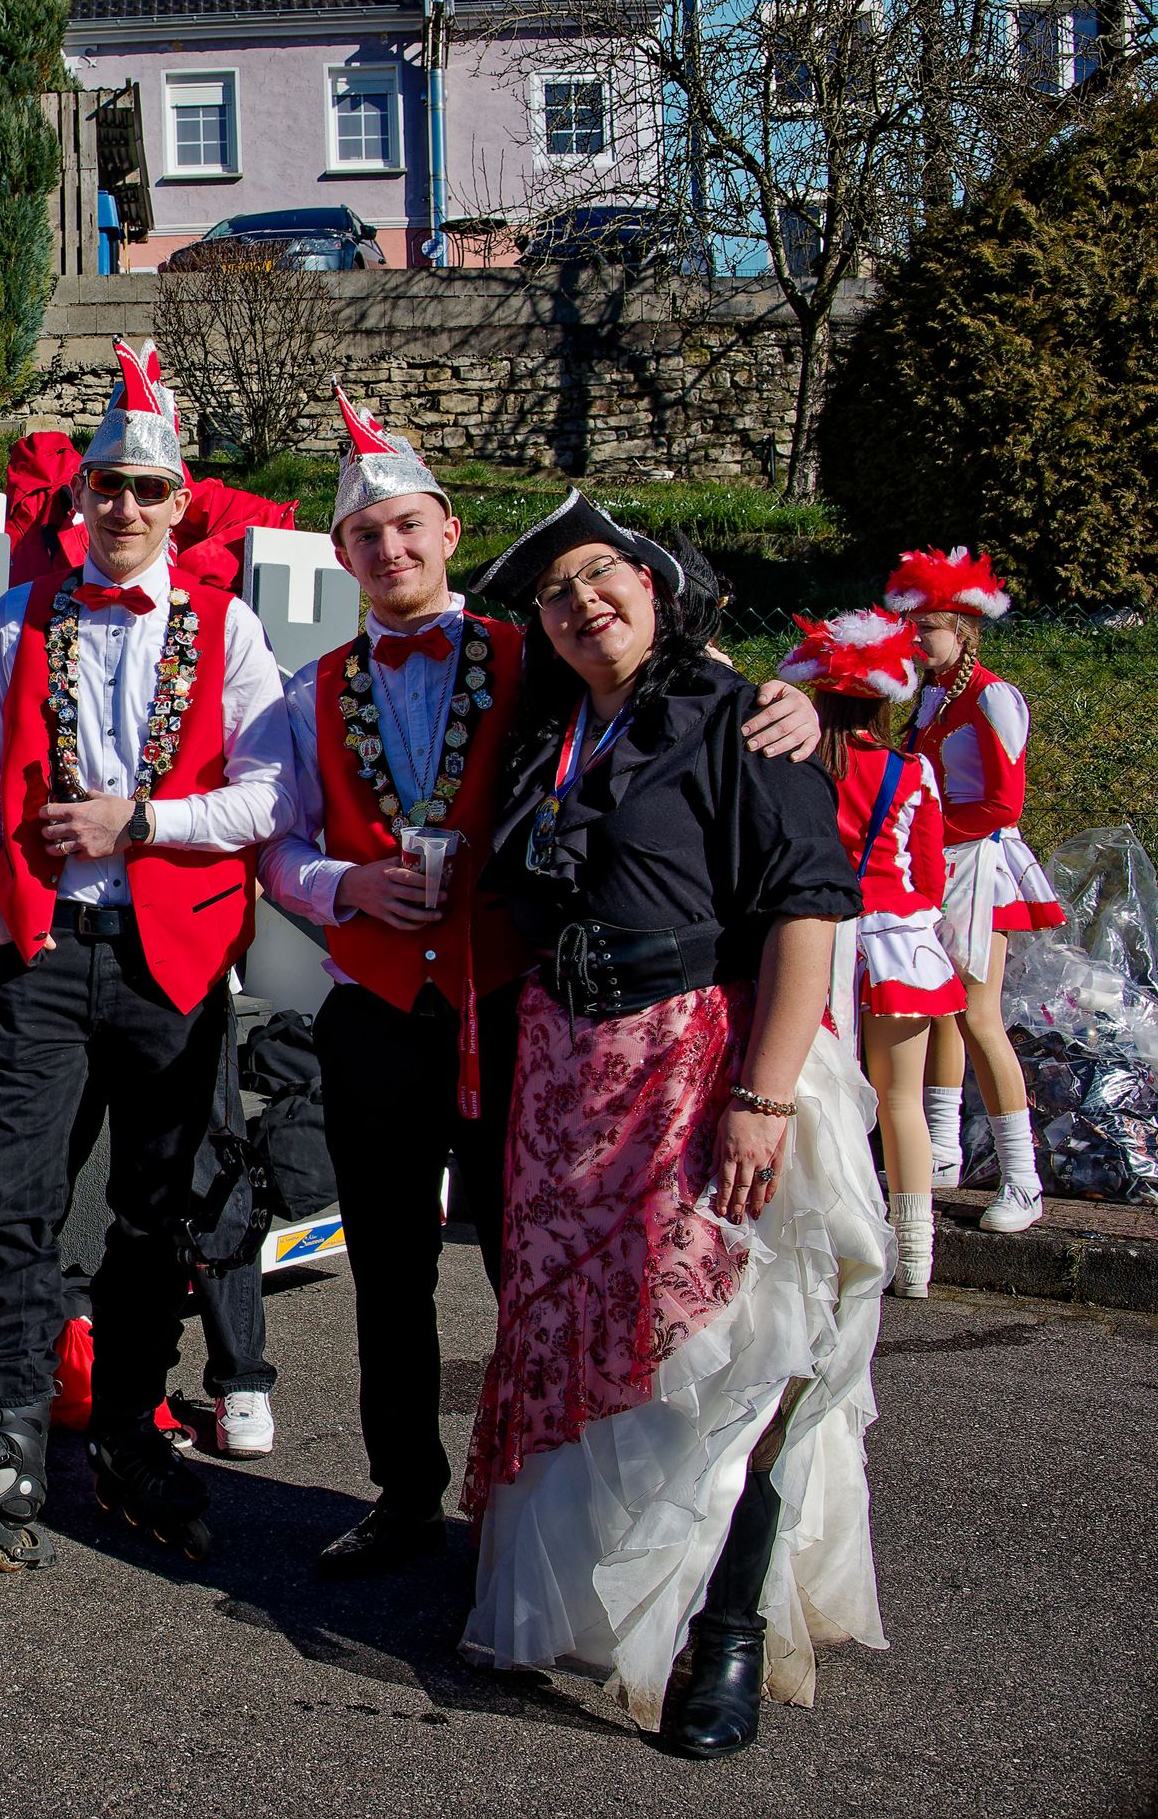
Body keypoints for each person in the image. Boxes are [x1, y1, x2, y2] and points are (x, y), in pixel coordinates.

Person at [261, 397, 824, 1582]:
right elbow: (274, 843)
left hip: (522, 1011)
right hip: (377, 1012)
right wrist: (342, 883)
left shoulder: (538, 655)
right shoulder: (309, 690)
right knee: (388, 1267)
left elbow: (668, 689)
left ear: (449, 532)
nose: (390, 550)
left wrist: (792, 697)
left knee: (540, 1265)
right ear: (343, 556)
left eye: (407, 527)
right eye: (366, 536)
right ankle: (404, 1490)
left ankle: (540, 1507)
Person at [461, 490, 884, 1755]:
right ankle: (609, 1598)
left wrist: (764, 1096)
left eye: (604, 574)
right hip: (566, 1073)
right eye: (556, 593)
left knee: (733, 1346)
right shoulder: (550, 732)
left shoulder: (741, 715)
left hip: (703, 1063)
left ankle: (726, 1629)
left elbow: (808, 908)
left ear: (656, 582)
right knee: (591, 1343)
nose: (583, 601)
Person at [0, 340, 287, 1569]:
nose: (124, 507)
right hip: (41, 949)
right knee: (10, 1193)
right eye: (107, 485)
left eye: (147, 489)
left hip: (171, 953)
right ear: (82, 496)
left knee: (155, 1208)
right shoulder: (19, 617)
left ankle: (125, 1430)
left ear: (179, 503)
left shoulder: (227, 627)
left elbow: (270, 794)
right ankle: (4, 1431)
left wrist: (142, 822)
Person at [780, 608, 965, 1299]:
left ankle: (830, 1247)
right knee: (900, 1101)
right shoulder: (909, 770)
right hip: (895, 947)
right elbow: (930, 872)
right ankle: (914, 1259)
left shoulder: (792, 765)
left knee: (818, 1100)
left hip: (813, 942)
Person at [891, 549, 1063, 1235]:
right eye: (910, 629)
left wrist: (925, 832)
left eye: (926, 630)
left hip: (979, 865)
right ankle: (941, 1150)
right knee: (939, 1006)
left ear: (962, 631)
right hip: (935, 862)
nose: (915, 642)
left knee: (978, 1015)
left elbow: (1002, 803)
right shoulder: (930, 696)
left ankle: (1023, 1179)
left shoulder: (993, 696)